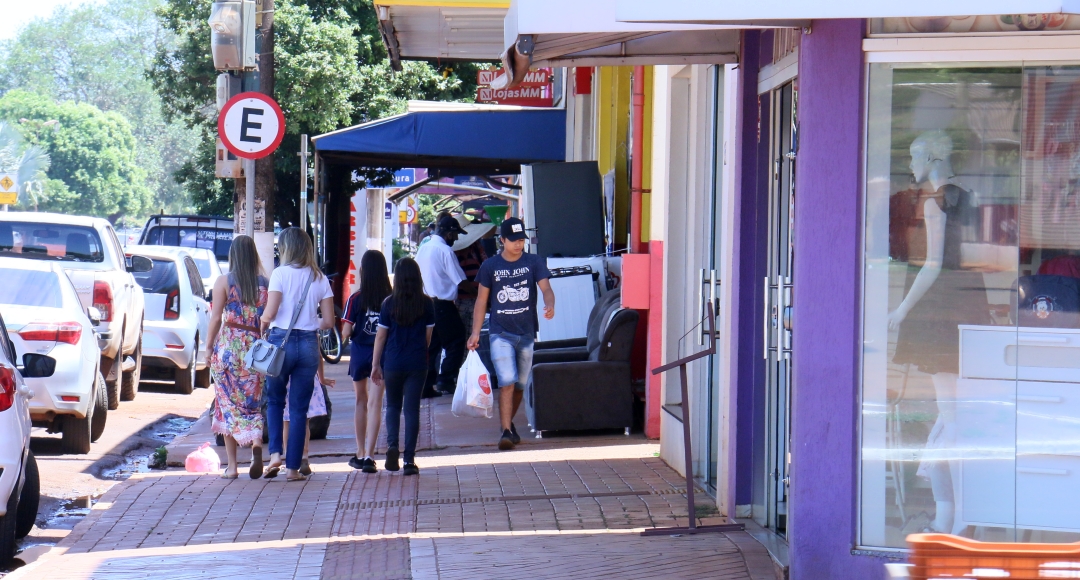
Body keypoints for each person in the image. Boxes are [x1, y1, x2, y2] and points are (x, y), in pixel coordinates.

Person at [468, 217, 555, 450]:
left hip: (526, 333)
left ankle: (508, 424)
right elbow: (481, 301)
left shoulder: (534, 262)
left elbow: (546, 288)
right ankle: (506, 431)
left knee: (519, 385)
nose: (519, 244)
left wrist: (550, 304)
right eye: (514, 240)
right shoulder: (490, 266)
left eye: (522, 240)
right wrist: (475, 332)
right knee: (506, 380)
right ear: (503, 240)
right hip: (500, 333)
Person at [260, 227, 336, 482]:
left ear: (285, 248)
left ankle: (274, 456)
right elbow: (328, 320)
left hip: (279, 341)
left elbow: (270, 312)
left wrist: (263, 323)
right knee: (299, 409)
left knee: (275, 400)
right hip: (307, 346)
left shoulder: (279, 274)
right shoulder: (319, 278)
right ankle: (293, 469)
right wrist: (310, 322)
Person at [206, 235, 268, 479]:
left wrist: (208, 347)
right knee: (252, 405)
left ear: (233, 255)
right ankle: (255, 445)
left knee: (227, 405)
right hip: (255, 349)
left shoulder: (224, 281)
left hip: (229, 347)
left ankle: (231, 467)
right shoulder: (264, 283)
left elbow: (215, 318)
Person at [371, 258, 435, 476]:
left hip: (393, 361)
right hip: (417, 362)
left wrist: (375, 364)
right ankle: (409, 460)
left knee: (392, 406)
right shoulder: (426, 303)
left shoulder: (389, 304)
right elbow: (428, 337)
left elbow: (380, 337)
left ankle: (392, 447)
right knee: (412, 409)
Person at [341, 250, 393, 473]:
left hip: (360, 353)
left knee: (360, 401)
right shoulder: (390, 299)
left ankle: (360, 451)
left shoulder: (355, 298)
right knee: (375, 403)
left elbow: (345, 330)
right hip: (382, 355)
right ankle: (370, 455)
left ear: (363, 271)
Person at [415, 214, 467, 397]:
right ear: (448, 233)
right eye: (455, 235)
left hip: (424, 304)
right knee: (457, 339)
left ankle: (426, 385)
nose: (457, 239)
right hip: (442, 304)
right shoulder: (445, 251)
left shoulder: (424, 248)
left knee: (432, 344)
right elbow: (460, 280)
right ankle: (446, 379)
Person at [282, 358, 336, 476]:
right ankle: (304, 456)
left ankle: (288, 459)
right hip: (307, 376)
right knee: (304, 421)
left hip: (287, 378)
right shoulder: (312, 337)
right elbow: (318, 355)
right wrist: (321, 378)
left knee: (286, 421)